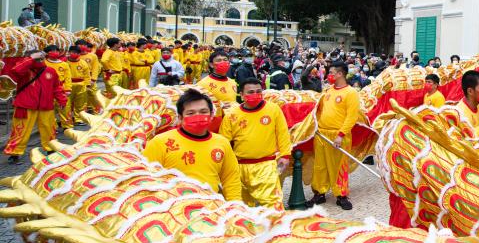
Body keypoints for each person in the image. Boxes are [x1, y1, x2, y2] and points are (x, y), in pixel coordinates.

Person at [142, 88, 241, 200]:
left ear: (211, 115)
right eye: (191, 113)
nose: (198, 116)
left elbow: (231, 179)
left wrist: (235, 204)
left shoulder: (222, 142)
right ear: (180, 118)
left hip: (211, 206)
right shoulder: (160, 142)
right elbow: (147, 179)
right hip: (174, 206)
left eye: (203, 112)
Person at [219, 78, 292, 208]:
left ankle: (276, 221)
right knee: (242, 206)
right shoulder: (231, 115)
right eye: (250, 92)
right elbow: (224, 142)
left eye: (259, 91)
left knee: (272, 204)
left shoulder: (273, 109)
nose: (255, 95)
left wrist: (285, 155)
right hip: (239, 166)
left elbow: (282, 133)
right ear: (241, 95)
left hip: (266, 165)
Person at [309, 61, 360, 210]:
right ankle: (319, 193)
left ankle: (341, 195)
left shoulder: (351, 93)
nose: (328, 75)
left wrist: (341, 135)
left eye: (331, 72)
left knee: (338, 167)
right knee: (320, 165)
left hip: (339, 136)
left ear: (340, 74)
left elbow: (352, 117)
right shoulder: (328, 90)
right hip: (322, 134)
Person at [3, 50, 67, 164]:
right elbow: (15, 71)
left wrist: (62, 100)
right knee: (20, 130)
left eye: (41, 58)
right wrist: (31, 59)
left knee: (49, 129)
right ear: (28, 59)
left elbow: (57, 87)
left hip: (46, 105)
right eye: (37, 59)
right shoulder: (24, 70)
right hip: (25, 105)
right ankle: (14, 153)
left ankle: (51, 150)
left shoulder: (51, 71)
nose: (40, 61)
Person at [43, 46, 72, 128]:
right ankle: (52, 127)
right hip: (48, 88)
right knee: (50, 109)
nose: (55, 52)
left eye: (56, 50)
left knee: (65, 108)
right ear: (47, 53)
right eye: (52, 51)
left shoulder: (64, 64)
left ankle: (67, 126)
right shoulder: (44, 63)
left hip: (61, 88)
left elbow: (68, 77)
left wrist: (68, 89)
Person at [75, 39, 103, 113]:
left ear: (86, 46)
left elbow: (95, 68)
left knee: (92, 95)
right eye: (79, 45)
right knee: (80, 96)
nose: (81, 47)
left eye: (83, 45)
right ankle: (83, 111)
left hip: (90, 78)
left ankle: (96, 110)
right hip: (79, 79)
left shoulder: (93, 56)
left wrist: (93, 79)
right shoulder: (76, 56)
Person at [67, 46, 91, 125]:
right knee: (67, 104)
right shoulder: (65, 62)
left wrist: (87, 85)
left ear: (79, 54)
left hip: (81, 85)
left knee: (80, 103)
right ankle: (68, 120)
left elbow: (87, 75)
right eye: (73, 52)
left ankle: (78, 119)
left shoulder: (83, 63)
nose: (74, 54)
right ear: (69, 52)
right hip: (68, 85)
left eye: (77, 53)